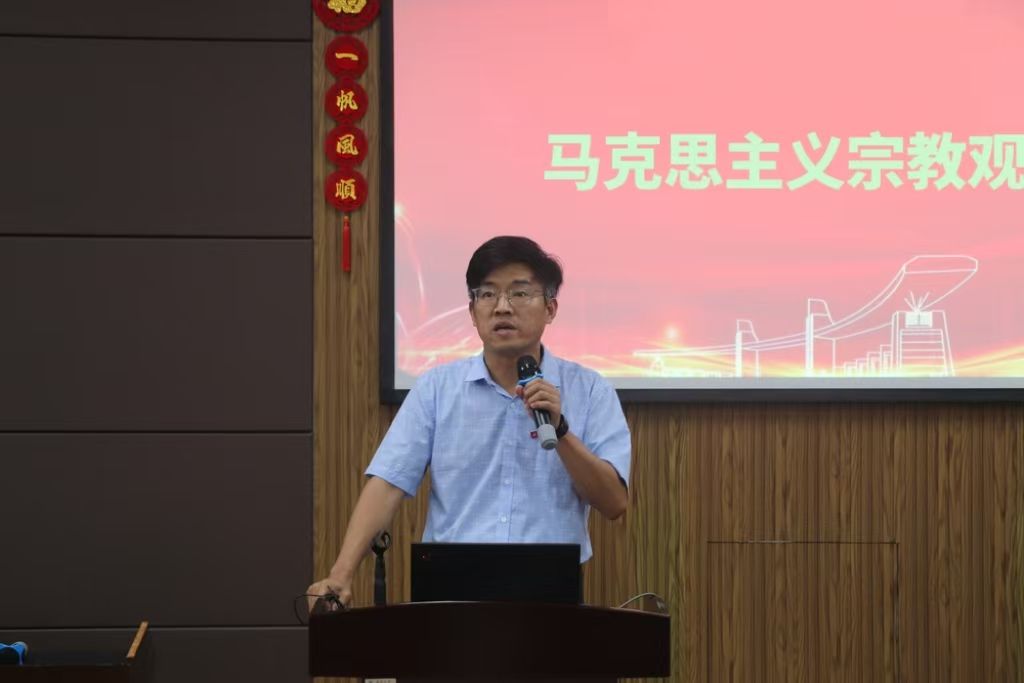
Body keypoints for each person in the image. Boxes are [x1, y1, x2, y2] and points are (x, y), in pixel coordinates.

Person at [307, 236, 631, 607]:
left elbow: (614, 502)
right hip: (449, 585)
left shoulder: (590, 390)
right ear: (473, 312)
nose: (502, 307)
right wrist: (341, 573)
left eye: (520, 293)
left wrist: (561, 431)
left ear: (550, 308)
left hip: (549, 588)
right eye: (487, 294)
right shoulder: (436, 389)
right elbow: (388, 484)